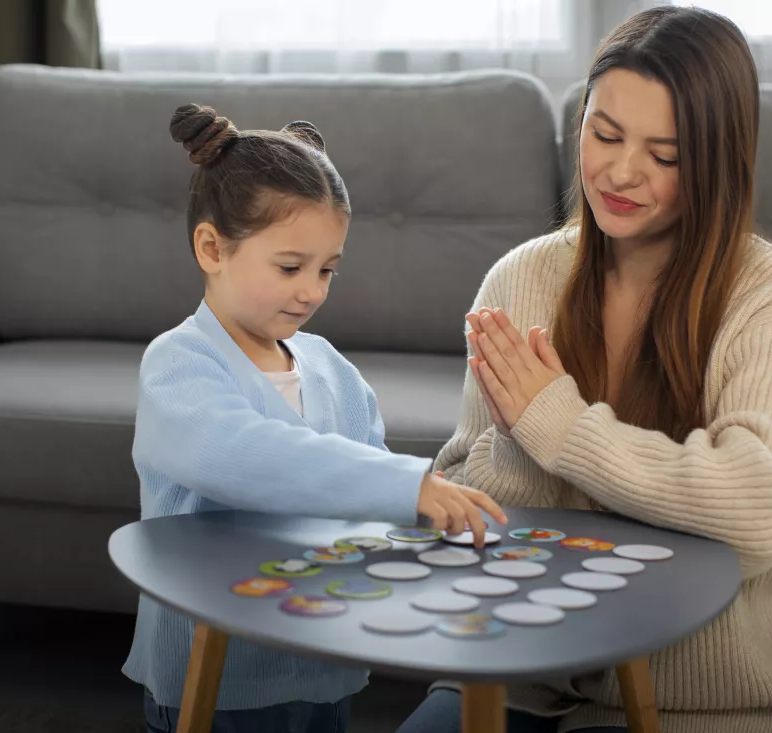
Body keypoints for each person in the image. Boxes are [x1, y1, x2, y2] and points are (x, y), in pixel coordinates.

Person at [398, 6, 772, 733]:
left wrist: (560, 425)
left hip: (700, 699)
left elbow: (764, 506)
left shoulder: (769, 293)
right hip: (520, 674)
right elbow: (461, 503)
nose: (621, 171)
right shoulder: (520, 279)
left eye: (665, 156)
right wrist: (519, 442)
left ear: (717, 160)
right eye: (604, 134)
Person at [122, 104, 507, 733]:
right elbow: (247, 456)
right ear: (211, 247)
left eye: (327, 269)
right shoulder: (178, 365)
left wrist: (428, 518)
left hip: (319, 656)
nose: (313, 291)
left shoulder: (329, 366)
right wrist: (405, 484)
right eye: (290, 268)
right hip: (217, 674)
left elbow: (367, 475)